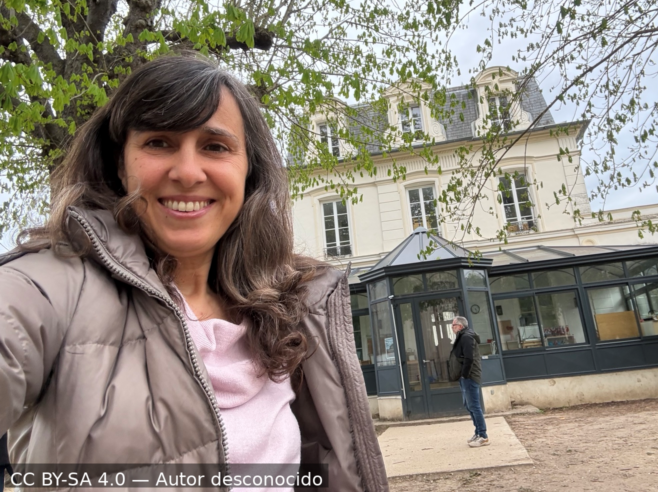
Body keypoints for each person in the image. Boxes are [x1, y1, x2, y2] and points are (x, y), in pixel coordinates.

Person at [0, 54, 388, 491]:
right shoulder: (54, 285)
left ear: (249, 170)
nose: (187, 173)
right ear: (119, 164)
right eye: (158, 142)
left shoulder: (292, 309)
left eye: (215, 146)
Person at [450, 317, 489, 447]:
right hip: (465, 377)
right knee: (469, 406)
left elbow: (469, 358)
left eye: (454, 325)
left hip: (470, 376)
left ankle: (483, 436)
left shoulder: (466, 337)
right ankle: (477, 432)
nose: (452, 327)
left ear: (460, 326)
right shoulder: (462, 336)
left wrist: (465, 375)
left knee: (474, 406)